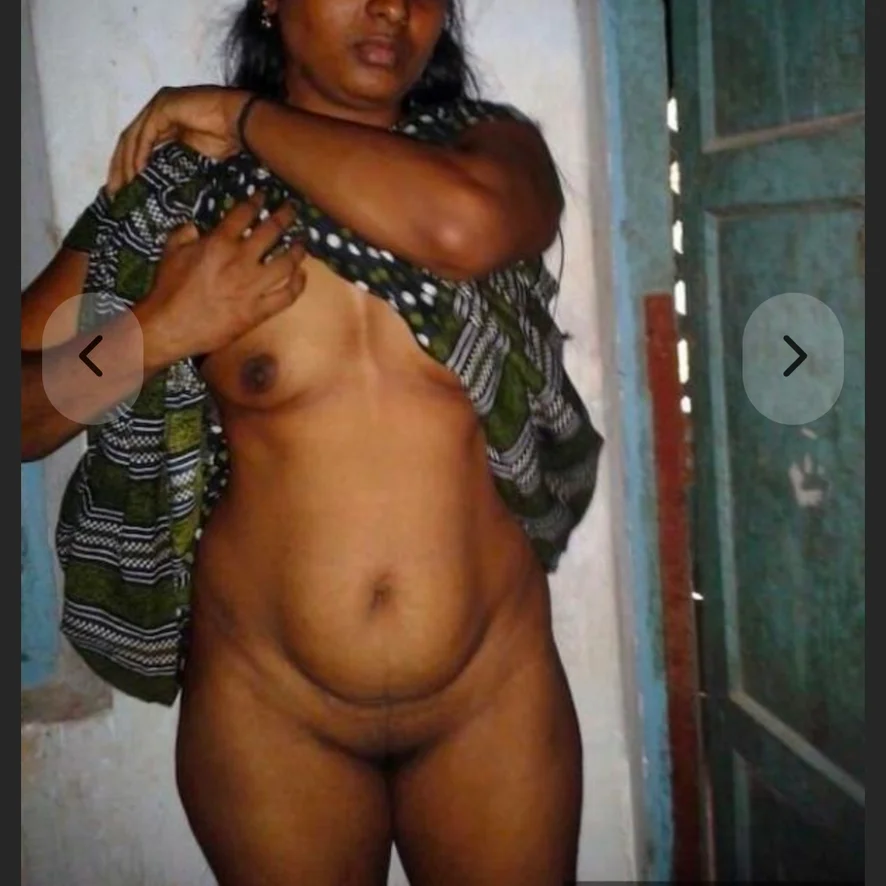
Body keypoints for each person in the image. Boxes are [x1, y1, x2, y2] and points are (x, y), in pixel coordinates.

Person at [21, 1, 603, 883]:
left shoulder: (486, 151)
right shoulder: (181, 200)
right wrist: (155, 331)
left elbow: (465, 228)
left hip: (493, 693)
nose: (390, 9)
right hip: (269, 711)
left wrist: (240, 115)